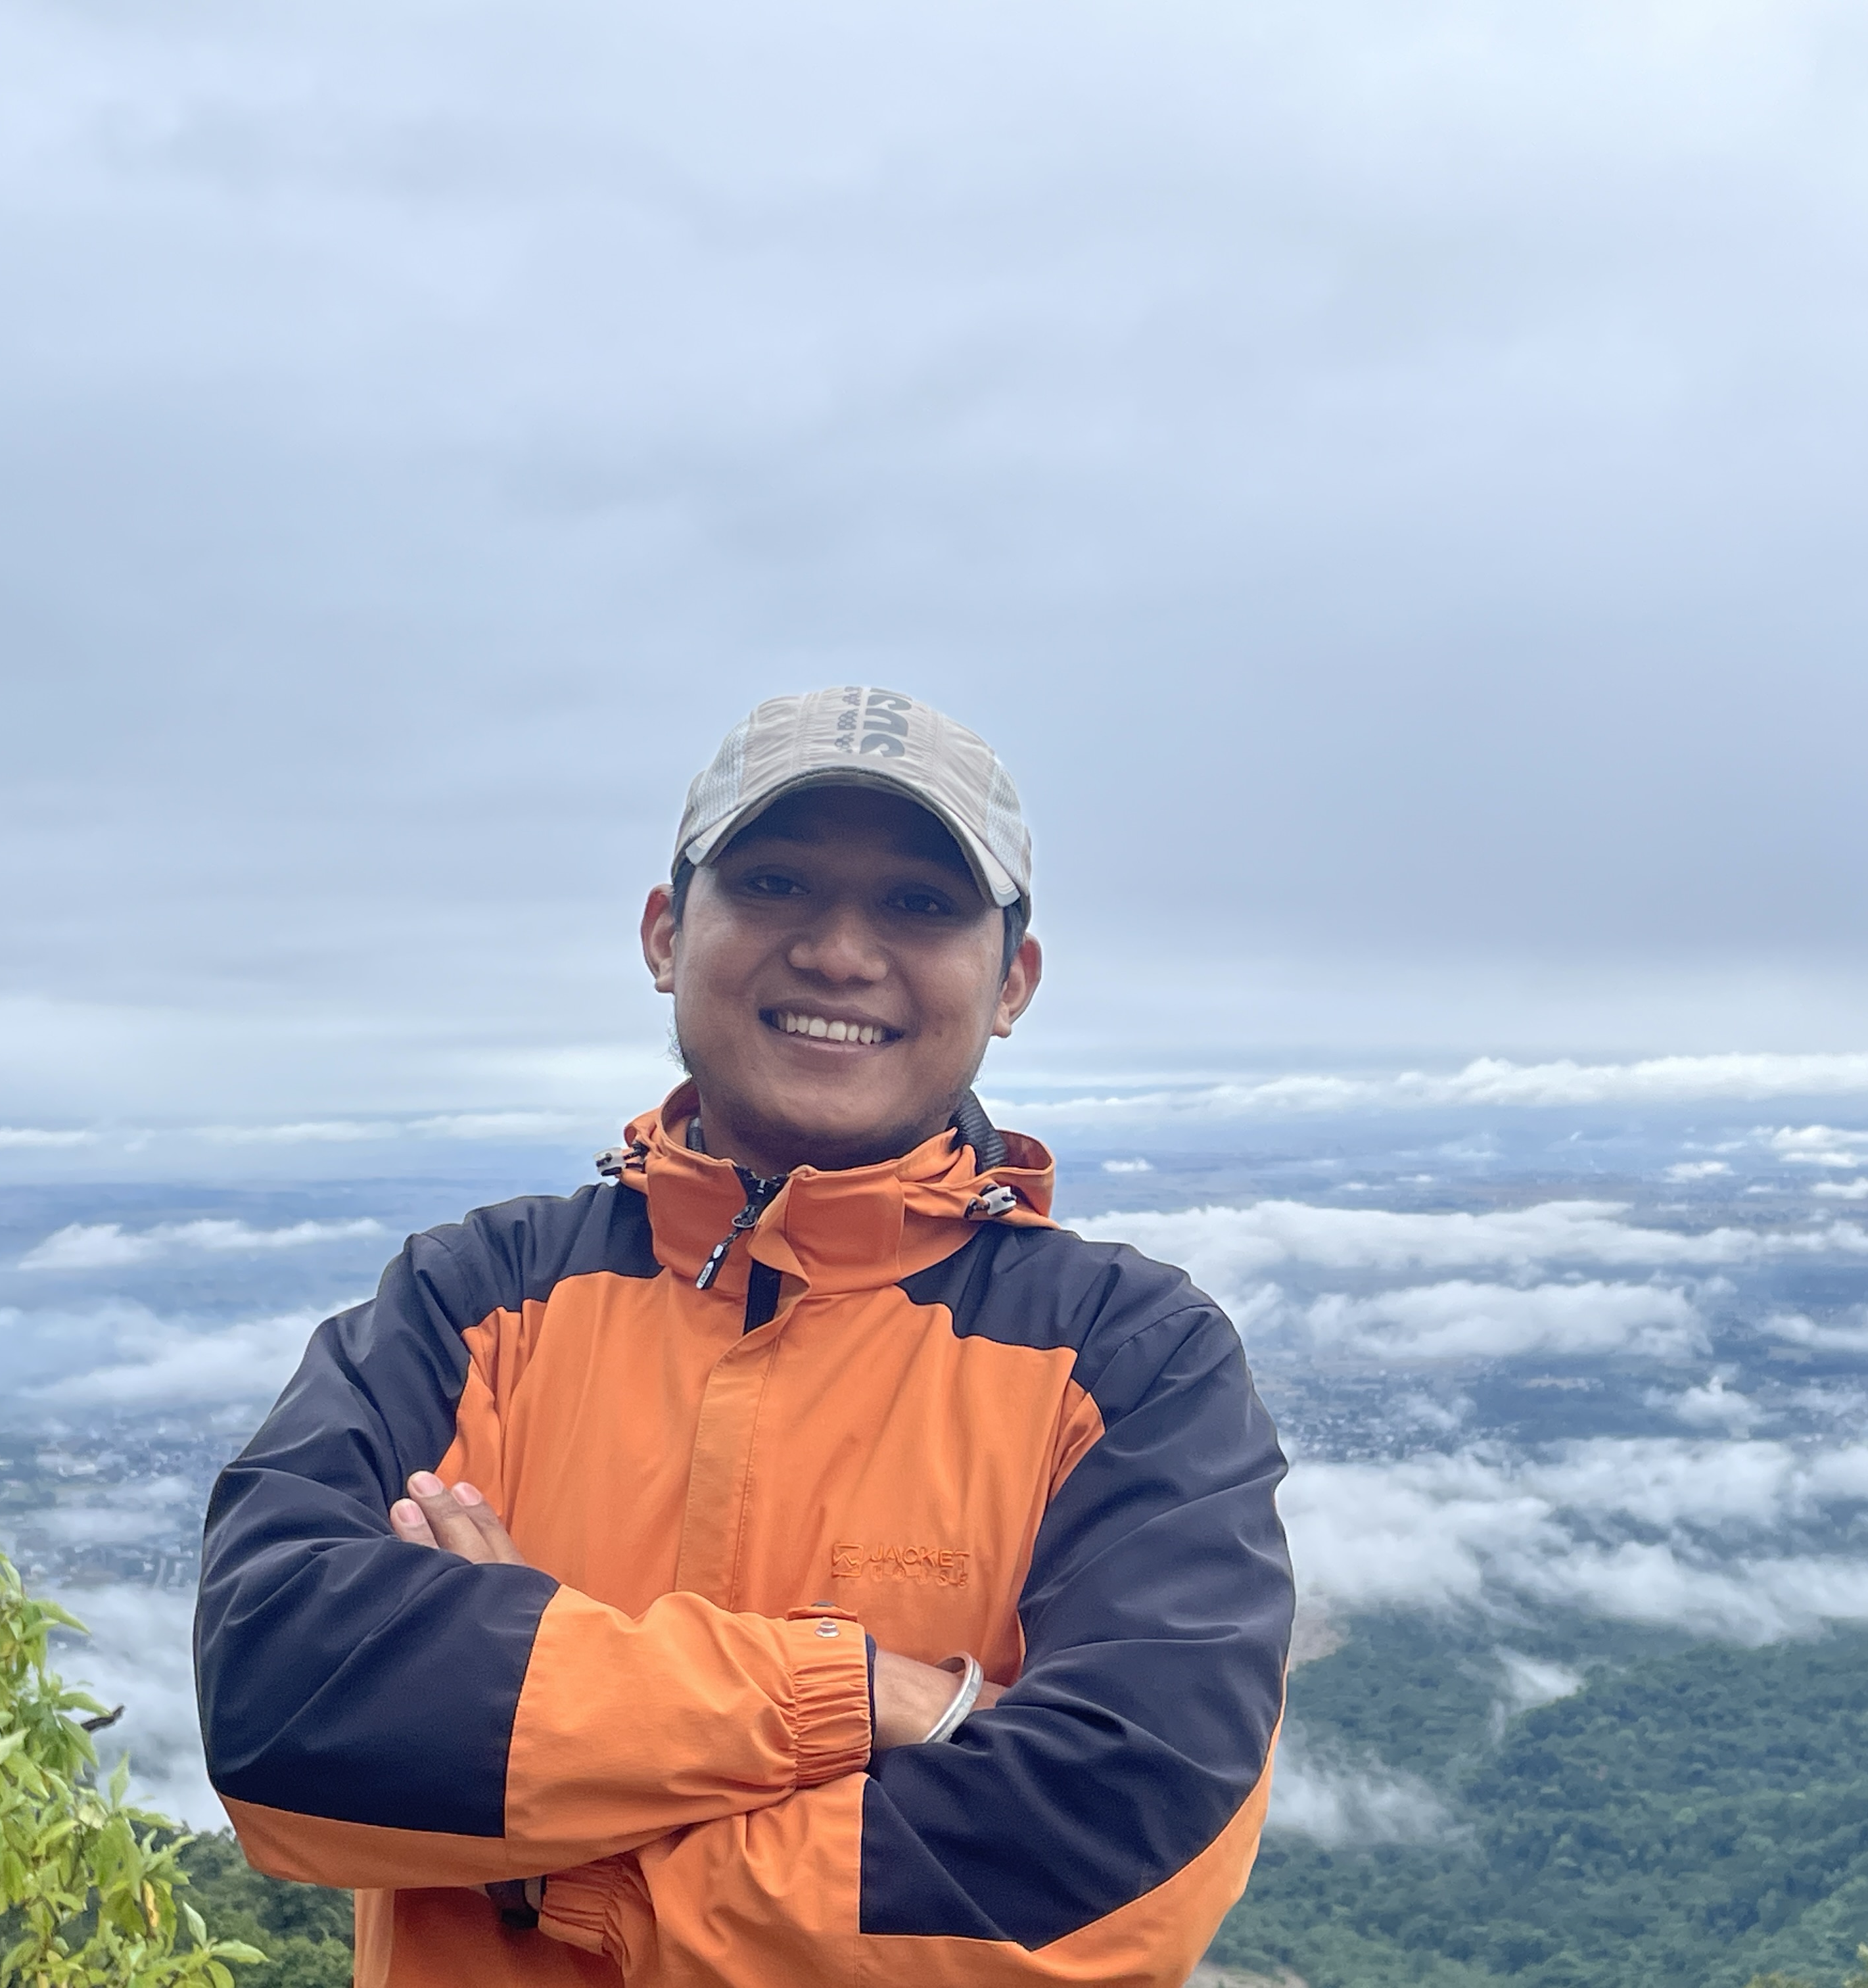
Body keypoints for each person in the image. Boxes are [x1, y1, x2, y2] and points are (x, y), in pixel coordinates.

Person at [195, 686, 1296, 1987]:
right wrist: (864, 1697)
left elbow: (1107, 1871)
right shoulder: (472, 1300)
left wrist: (543, 1852)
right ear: (667, 935)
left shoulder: (1131, 1361)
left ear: (1015, 983)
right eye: (774, 882)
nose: (840, 952)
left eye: (921, 905)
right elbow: (284, 1710)